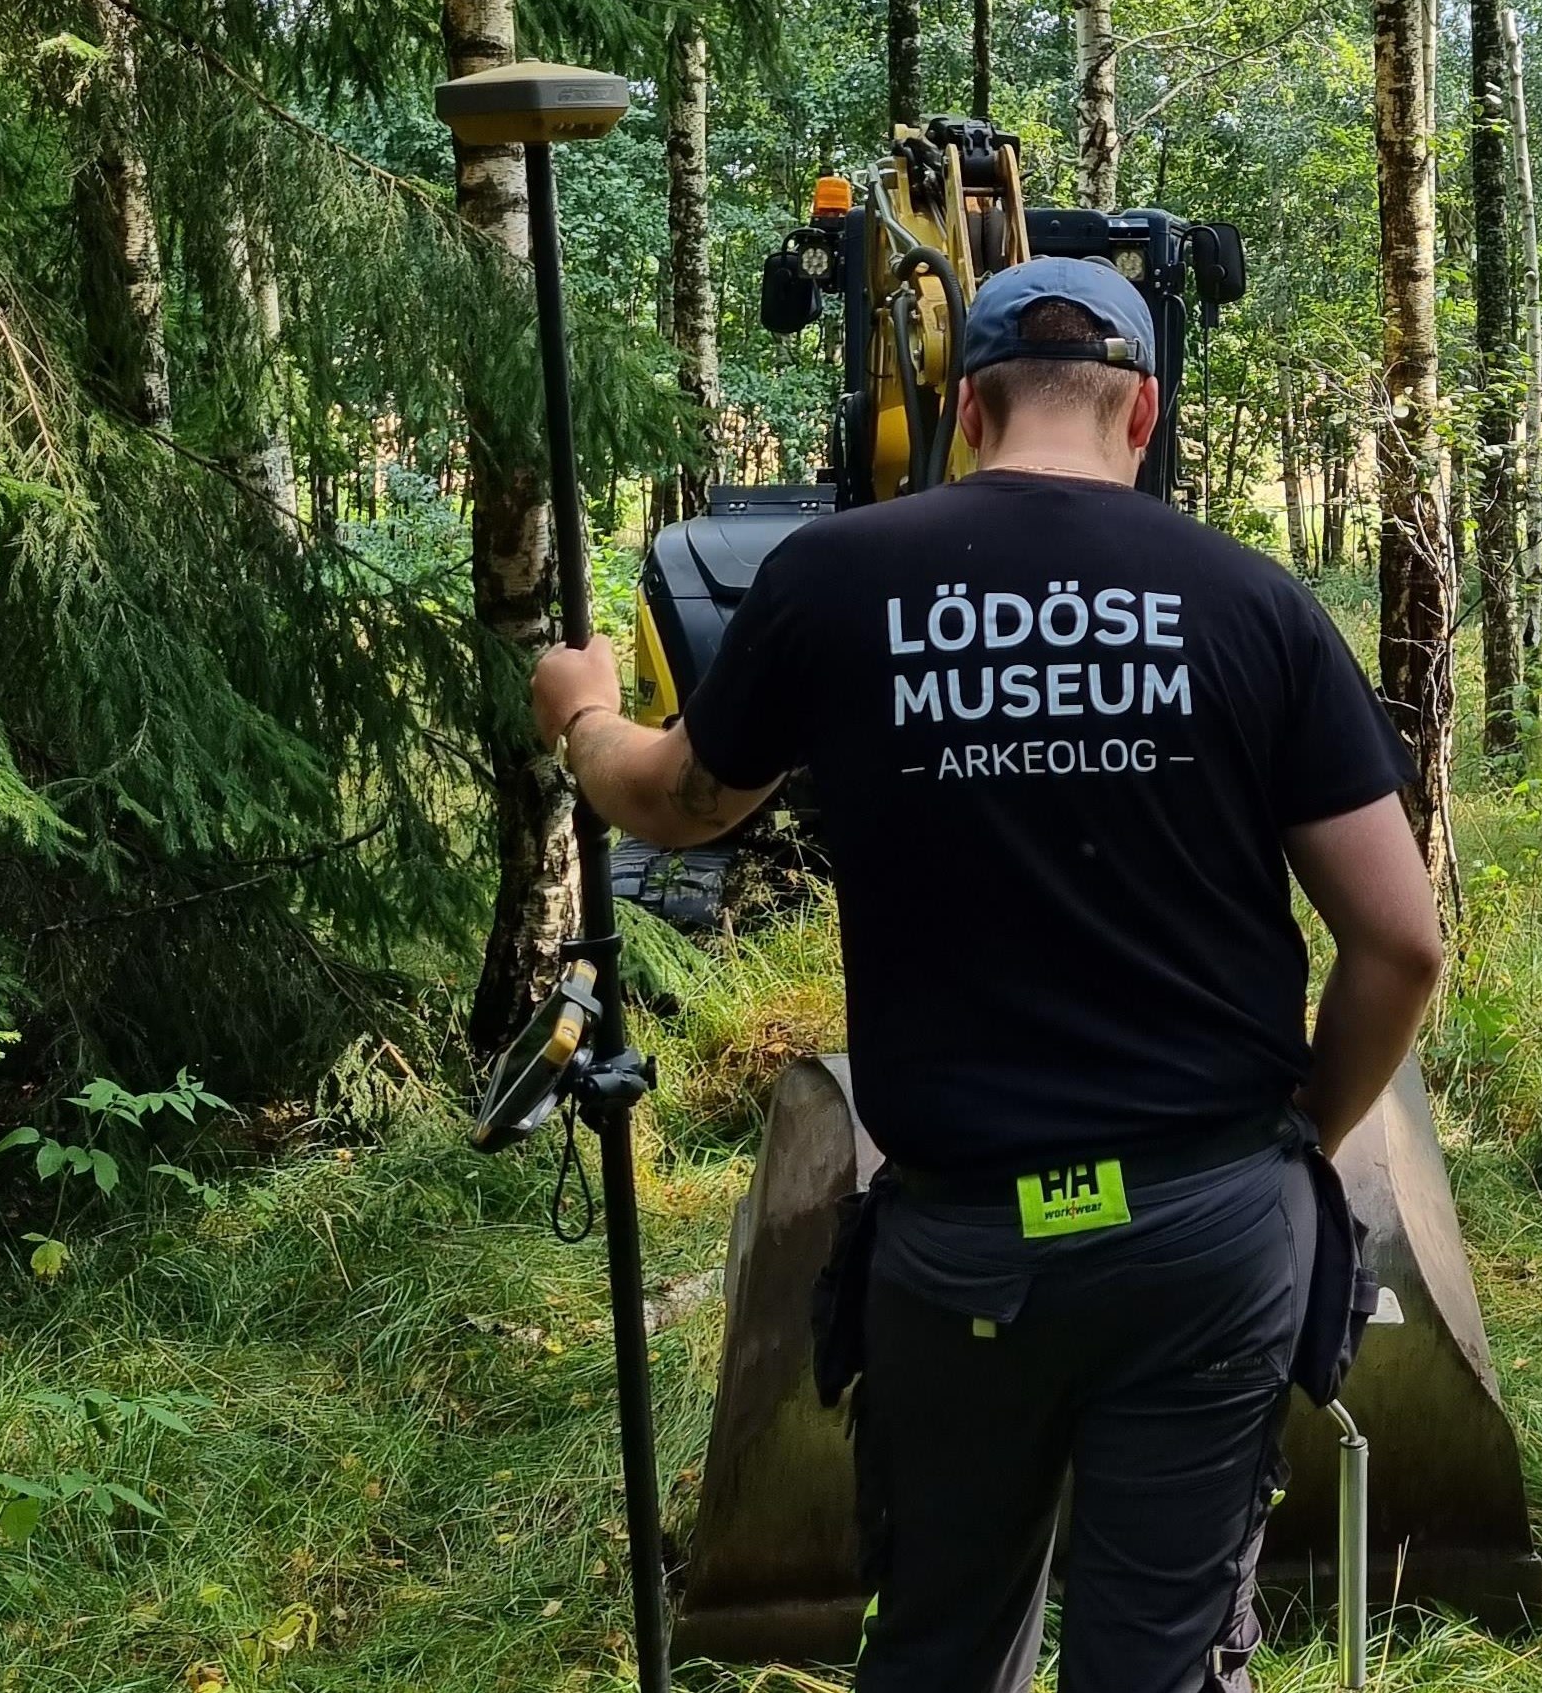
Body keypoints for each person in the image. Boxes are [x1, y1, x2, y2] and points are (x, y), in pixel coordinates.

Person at [530, 256, 1444, 1693]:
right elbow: (1402, 941)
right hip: (1208, 1237)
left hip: (963, 1248)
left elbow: (677, 800)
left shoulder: (831, 580)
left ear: (965, 414)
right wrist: (1290, 1149)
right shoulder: (1254, 602)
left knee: (946, 1646)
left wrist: (583, 716)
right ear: (1141, 416)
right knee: (1159, 1663)